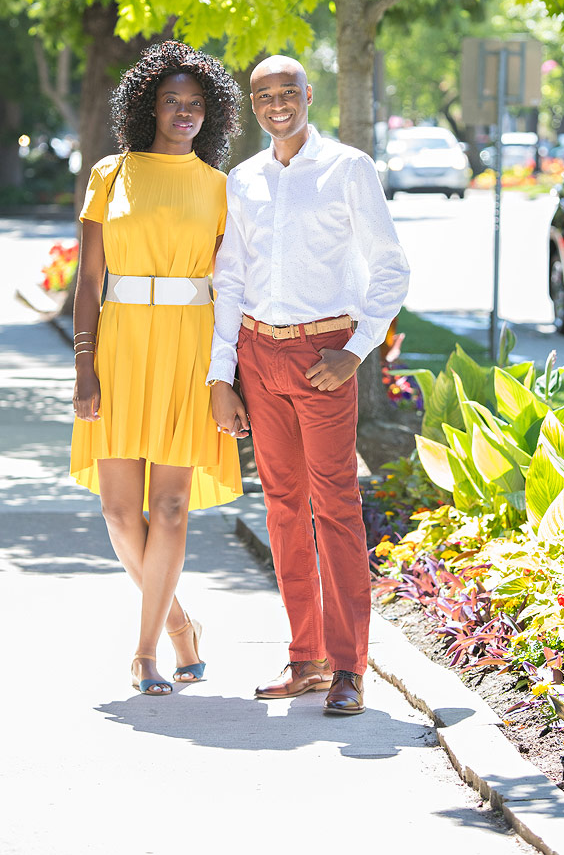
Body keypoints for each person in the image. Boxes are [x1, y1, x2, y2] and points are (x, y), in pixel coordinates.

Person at [208, 56, 409, 716]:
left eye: (286, 91)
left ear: (307, 95)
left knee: (337, 509)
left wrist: (357, 350)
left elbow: (389, 265)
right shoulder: (243, 180)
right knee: (284, 512)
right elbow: (229, 279)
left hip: (325, 354)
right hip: (258, 356)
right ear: (254, 103)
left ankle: (349, 667)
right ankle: (306, 660)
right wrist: (222, 374)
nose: (276, 103)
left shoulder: (348, 168)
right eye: (263, 94)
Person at [71, 41, 243, 696]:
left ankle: (146, 653)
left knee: (170, 505)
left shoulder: (220, 187)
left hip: (189, 347)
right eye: (171, 100)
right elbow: (88, 281)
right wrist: (84, 367)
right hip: (119, 343)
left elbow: (232, 288)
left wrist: (225, 378)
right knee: (120, 513)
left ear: (213, 113)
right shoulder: (110, 175)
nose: (184, 112)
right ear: (147, 105)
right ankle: (180, 625)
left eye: (196, 104)